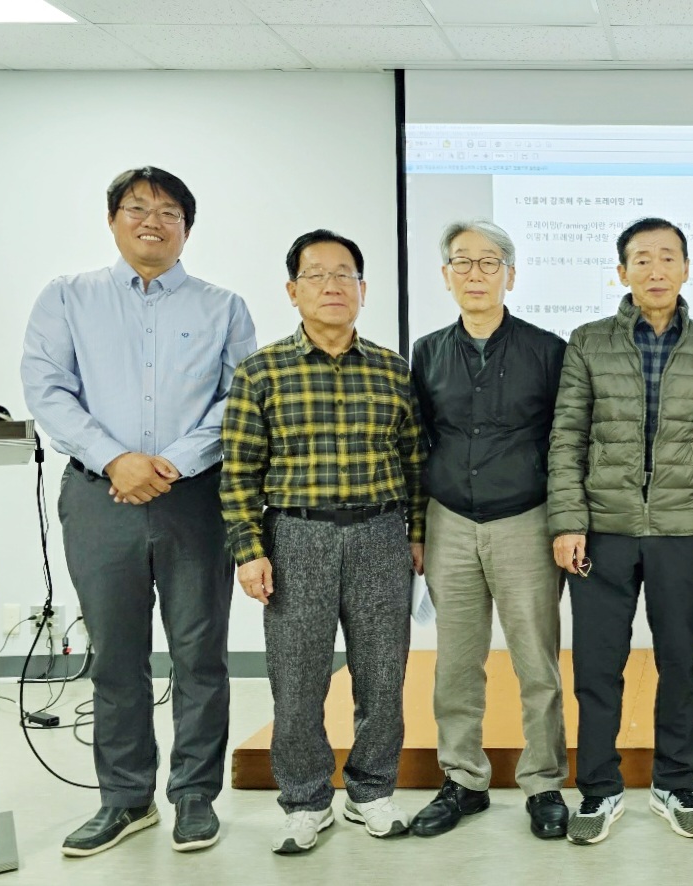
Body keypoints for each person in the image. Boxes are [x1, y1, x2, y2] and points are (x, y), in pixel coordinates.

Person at [22, 166, 255, 857]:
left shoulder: (223, 307)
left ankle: (194, 797)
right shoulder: (68, 297)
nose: (153, 221)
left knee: (200, 656)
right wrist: (115, 459)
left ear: (187, 227)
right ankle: (125, 799)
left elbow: (239, 398)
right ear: (112, 219)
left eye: (169, 212)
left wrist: (170, 463)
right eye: (137, 207)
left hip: (196, 500)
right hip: (101, 497)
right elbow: (48, 387)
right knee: (116, 658)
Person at [220, 229, 427, 855]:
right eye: (316, 274)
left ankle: (371, 790)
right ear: (293, 290)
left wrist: (417, 535)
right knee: (297, 680)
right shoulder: (260, 371)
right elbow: (239, 470)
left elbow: (415, 462)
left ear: (363, 289)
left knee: (383, 675)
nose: (332, 285)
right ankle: (306, 799)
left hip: (381, 534)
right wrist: (248, 550)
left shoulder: (393, 369)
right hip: (296, 536)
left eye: (345, 274)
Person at [547, 217, 693, 845]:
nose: (655, 270)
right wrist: (568, 521)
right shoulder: (588, 342)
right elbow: (566, 436)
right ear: (622, 271)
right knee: (597, 667)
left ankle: (675, 783)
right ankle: (599, 790)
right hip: (602, 531)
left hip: (681, 531)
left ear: (686, 268)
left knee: (679, 663)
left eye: (667, 257)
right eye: (642, 259)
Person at [409, 220, 571, 840]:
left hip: (525, 519)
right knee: (456, 662)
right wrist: (417, 530)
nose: (475, 274)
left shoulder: (547, 350)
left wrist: (566, 523)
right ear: (445, 275)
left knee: (537, 662)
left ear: (511, 274)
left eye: (488, 262)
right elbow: (419, 441)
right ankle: (463, 779)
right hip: (449, 519)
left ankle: (544, 781)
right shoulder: (427, 351)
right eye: (462, 262)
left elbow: (565, 443)